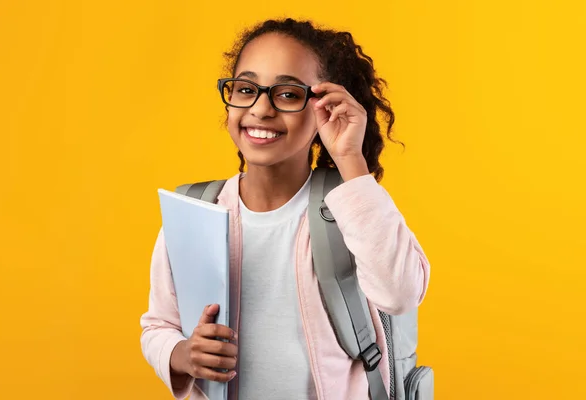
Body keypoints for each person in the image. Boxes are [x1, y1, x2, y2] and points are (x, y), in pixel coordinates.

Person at [140, 17, 430, 400]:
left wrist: (350, 160)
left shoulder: (352, 206)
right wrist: (181, 354)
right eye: (245, 89)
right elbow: (159, 325)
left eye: (288, 94)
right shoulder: (195, 212)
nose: (261, 109)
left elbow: (401, 292)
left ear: (323, 108)